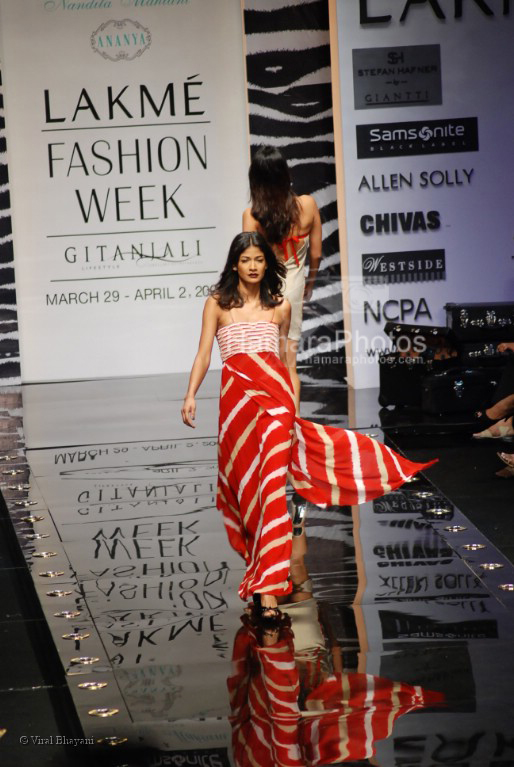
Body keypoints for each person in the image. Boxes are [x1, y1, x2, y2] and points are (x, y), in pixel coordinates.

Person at [181, 232, 434, 618]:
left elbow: (287, 366)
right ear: (235, 263)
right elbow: (202, 354)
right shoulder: (217, 304)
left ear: (267, 264)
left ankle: (268, 590)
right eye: (246, 259)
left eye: (259, 260)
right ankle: (261, 570)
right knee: (247, 494)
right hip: (237, 410)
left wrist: (291, 412)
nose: (252, 266)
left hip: (276, 406)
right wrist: (190, 394)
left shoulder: (280, 305)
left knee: (270, 494)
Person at [242, 145, 322, 408]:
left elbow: (249, 261)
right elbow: (316, 255)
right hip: (294, 290)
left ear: (256, 180)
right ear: (284, 173)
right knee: (289, 364)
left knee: (264, 363)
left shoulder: (252, 216)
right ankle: (294, 424)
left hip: (266, 293)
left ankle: (270, 420)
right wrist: (309, 284)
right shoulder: (308, 205)